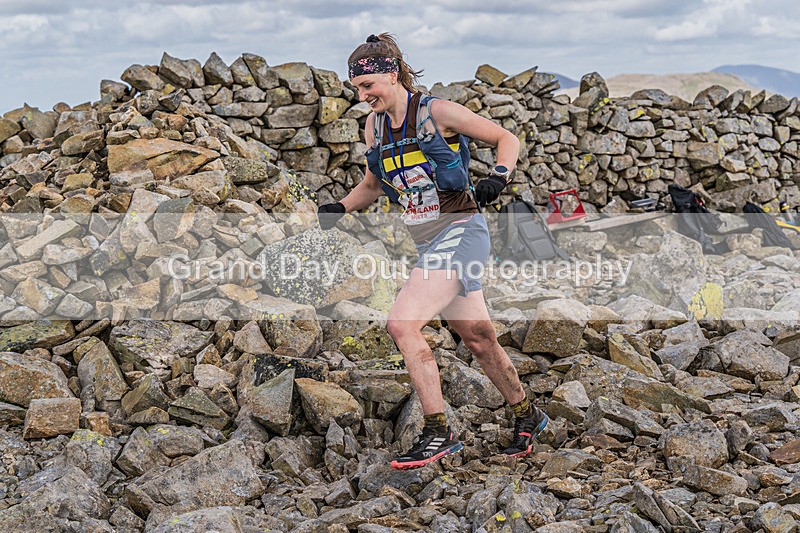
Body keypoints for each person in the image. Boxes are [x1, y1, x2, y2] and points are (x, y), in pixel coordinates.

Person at [318, 33, 548, 470]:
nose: (364, 97)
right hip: (427, 239)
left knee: (402, 323)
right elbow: (371, 185)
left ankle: (437, 432)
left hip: (461, 230)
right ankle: (527, 414)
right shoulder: (375, 126)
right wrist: (340, 208)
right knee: (479, 339)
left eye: (369, 87)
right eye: (357, 90)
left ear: (392, 73)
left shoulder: (436, 112)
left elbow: (507, 138)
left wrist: (498, 177)